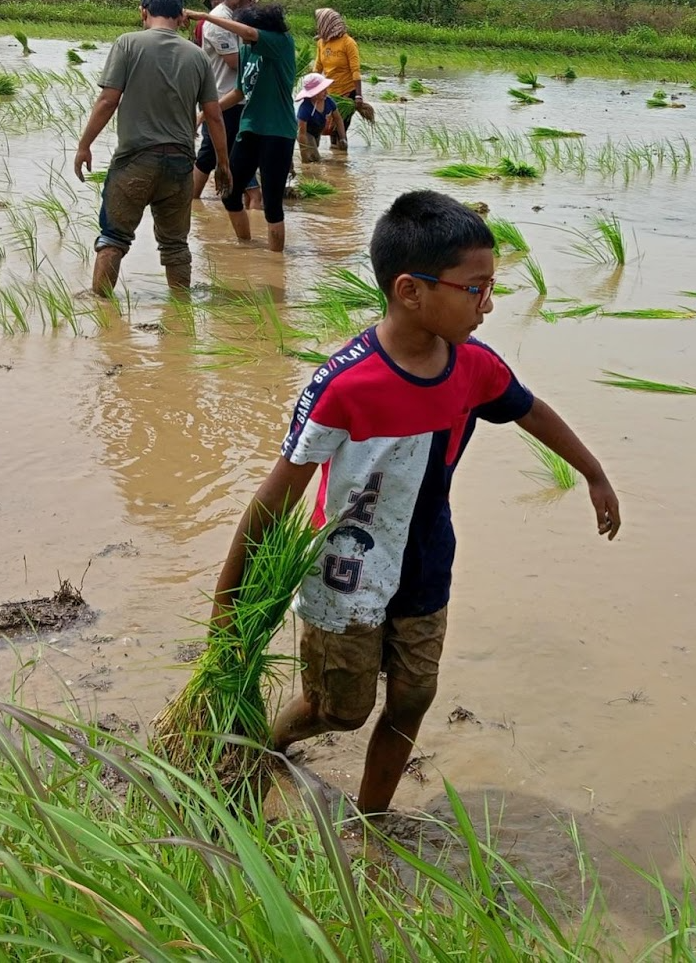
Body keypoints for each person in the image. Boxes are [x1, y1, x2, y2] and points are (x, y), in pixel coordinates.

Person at [209, 190, 621, 818]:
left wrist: (593, 473)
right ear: (410, 291)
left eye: (491, 288)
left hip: (427, 565)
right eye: (475, 289)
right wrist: (226, 605)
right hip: (346, 572)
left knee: (412, 699)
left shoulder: (474, 367)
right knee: (339, 710)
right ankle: (270, 745)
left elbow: (530, 410)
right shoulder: (344, 385)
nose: (487, 305)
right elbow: (275, 496)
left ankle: (373, 821)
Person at [74, 0, 228, 295]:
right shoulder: (198, 56)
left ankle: (101, 309)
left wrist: (84, 145)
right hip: (180, 163)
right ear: (181, 16)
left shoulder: (128, 44)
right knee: (175, 245)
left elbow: (108, 100)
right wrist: (223, 163)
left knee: (113, 238)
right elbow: (214, 115)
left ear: (143, 12)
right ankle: (181, 312)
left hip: (135, 160)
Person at [184, 3, 297, 251]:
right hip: (250, 129)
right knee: (229, 193)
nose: (239, 37)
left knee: (272, 204)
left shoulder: (281, 43)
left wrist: (204, 17)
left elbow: (248, 32)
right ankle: (246, 247)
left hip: (277, 131)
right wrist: (204, 114)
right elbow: (239, 92)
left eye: (241, 29)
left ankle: (276, 261)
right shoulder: (246, 50)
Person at [193, 0, 263, 200]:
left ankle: (229, 197)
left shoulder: (237, 18)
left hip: (237, 97)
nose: (253, 4)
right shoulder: (219, 21)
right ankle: (193, 201)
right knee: (210, 153)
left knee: (224, 152)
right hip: (222, 96)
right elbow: (234, 62)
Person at [312, 8, 371, 151]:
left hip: (347, 92)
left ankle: (342, 157)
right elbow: (318, 67)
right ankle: (336, 159)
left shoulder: (348, 43)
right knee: (330, 130)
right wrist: (311, 89)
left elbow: (355, 70)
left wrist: (358, 96)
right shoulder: (321, 42)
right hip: (329, 93)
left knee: (340, 130)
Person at [295, 72, 345, 164]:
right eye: (322, 90)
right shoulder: (305, 108)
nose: (326, 92)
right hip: (305, 132)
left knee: (314, 153)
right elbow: (302, 134)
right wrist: (304, 158)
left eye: (326, 89)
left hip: (317, 131)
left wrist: (343, 138)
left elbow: (338, 119)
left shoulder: (329, 101)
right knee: (315, 158)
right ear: (314, 93)